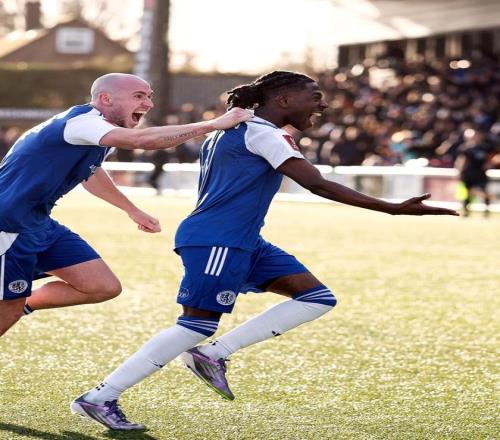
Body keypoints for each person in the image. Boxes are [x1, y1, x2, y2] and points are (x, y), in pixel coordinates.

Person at [71, 71, 458, 431]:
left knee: (317, 298)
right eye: (315, 97)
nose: (323, 105)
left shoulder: (235, 129)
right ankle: (100, 397)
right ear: (284, 99)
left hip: (242, 239)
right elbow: (317, 183)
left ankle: (215, 353)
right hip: (219, 240)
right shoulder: (264, 133)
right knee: (195, 326)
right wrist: (392, 208)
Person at [0, 72, 252, 337]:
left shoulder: (98, 128)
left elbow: (91, 173)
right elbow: (142, 141)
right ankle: (14, 302)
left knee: (101, 286)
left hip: (36, 222)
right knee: (9, 308)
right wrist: (213, 124)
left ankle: (20, 301)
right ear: (105, 98)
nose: (148, 104)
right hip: (9, 222)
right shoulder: (83, 123)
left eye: (149, 97)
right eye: (138, 96)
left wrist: (132, 210)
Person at [454, 131, 495, 217]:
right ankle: (466, 211)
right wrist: (459, 171)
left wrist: (489, 163)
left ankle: (486, 211)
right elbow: (461, 160)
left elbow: (494, 156)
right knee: (468, 193)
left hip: (480, 173)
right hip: (468, 173)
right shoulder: (465, 148)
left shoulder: (485, 147)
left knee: (483, 191)